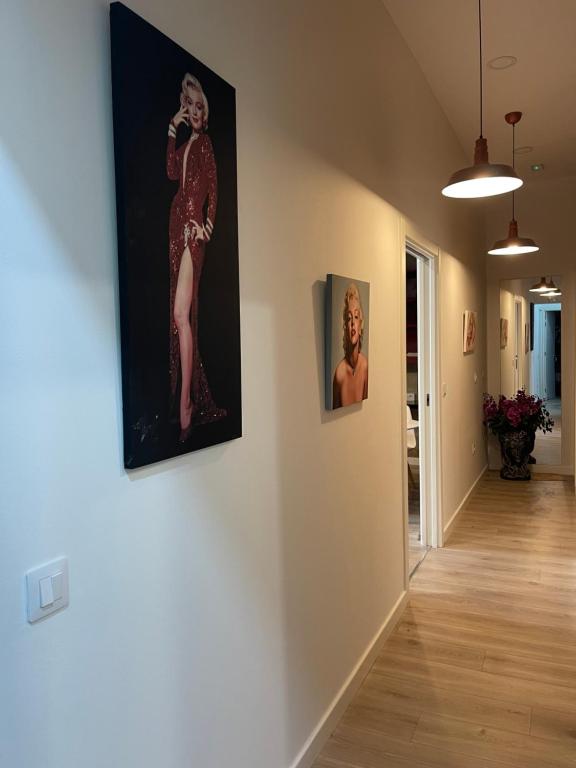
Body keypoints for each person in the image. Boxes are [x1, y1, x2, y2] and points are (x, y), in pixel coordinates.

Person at [167, 73, 225, 441]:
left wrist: (208, 224)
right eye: (189, 105)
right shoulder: (188, 143)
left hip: (191, 231)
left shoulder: (205, 146)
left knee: (180, 314)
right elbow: (171, 172)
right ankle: (185, 401)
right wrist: (173, 126)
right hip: (175, 224)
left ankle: (186, 401)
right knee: (179, 316)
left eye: (199, 105)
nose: (195, 110)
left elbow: (214, 188)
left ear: (206, 110)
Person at [332, 283, 369, 408]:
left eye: (356, 316)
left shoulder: (364, 366)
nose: (353, 322)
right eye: (349, 318)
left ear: (361, 325)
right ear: (345, 327)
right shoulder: (339, 374)